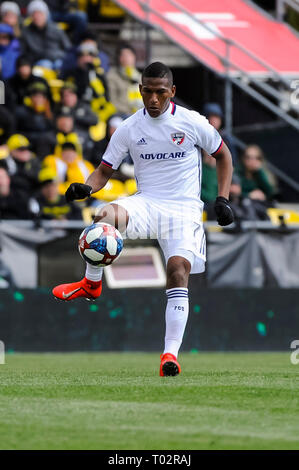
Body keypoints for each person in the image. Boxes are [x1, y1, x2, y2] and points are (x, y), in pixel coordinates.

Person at [52, 62, 234, 377]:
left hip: (184, 210)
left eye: (160, 92)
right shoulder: (130, 127)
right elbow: (105, 171)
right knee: (104, 215)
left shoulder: (192, 122)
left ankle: (170, 355)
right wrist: (87, 187)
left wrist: (222, 198)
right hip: (148, 203)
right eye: (147, 91)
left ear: (172, 92)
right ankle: (91, 284)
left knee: (178, 271)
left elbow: (223, 155)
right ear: (140, 90)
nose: (153, 99)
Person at [21, 0, 71, 69]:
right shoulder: (26, 32)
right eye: (34, 14)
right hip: (39, 62)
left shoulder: (56, 29)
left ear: (46, 15)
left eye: (40, 13)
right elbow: (25, 53)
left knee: (60, 64)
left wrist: (57, 55)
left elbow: (68, 48)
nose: (37, 17)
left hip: (58, 59)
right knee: (45, 64)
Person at [107, 44, 143, 116]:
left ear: (134, 57)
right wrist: (129, 111)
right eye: (123, 55)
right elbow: (112, 100)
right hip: (120, 114)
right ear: (118, 58)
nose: (126, 58)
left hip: (139, 113)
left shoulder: (139, 77)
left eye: (129, 55)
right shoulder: (112, 76)